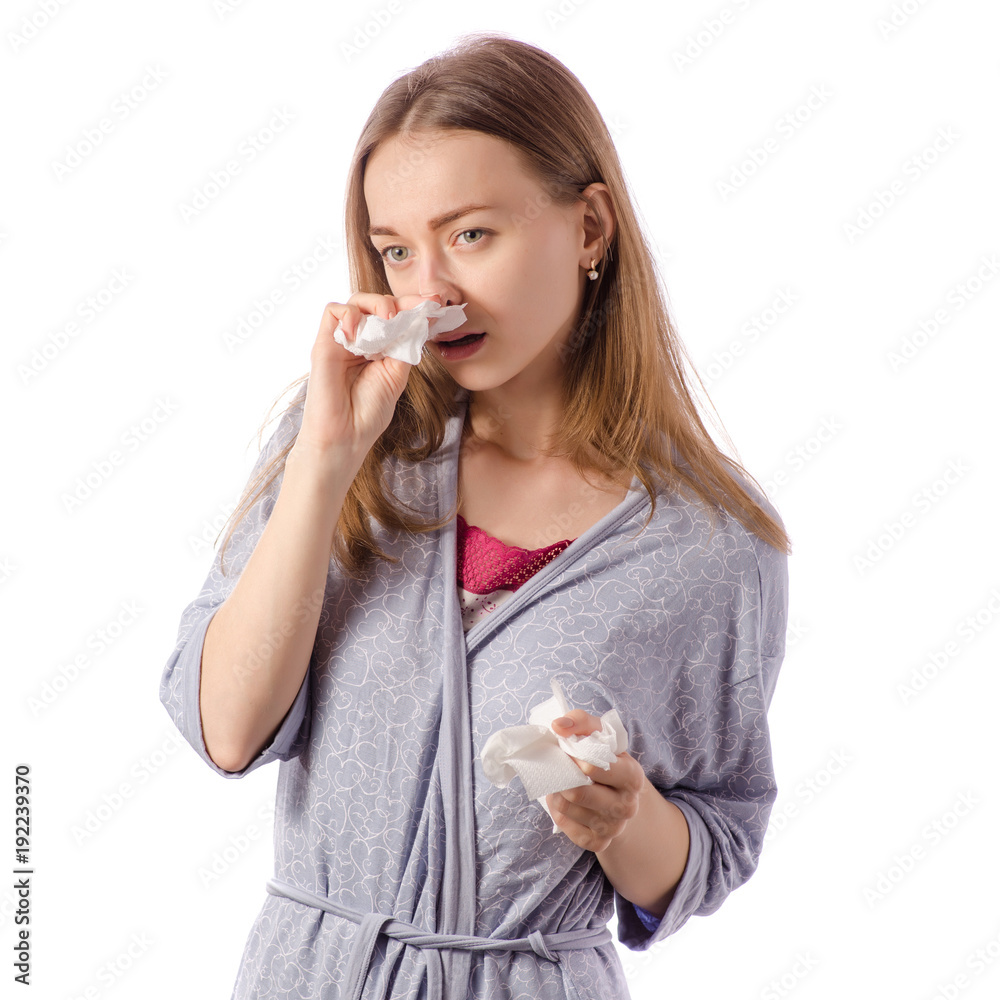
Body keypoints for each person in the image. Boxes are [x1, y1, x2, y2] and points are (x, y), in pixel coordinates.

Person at [159, 32, 790, 1000]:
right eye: (396, 251)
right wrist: (326, 461)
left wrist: (625, 817)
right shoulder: (345, 451)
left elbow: (715, 840)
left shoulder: (709, 544)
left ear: (589, 229)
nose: (432, 292)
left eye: (470, 235)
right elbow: (229, 730)